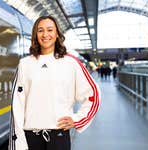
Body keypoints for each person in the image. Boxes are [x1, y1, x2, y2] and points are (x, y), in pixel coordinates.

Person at [9, 15, 100, 150]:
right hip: (30, 138)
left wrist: (77, 120)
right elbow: (17, 104)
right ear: (35, 35)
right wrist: (17, 141)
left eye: (50, 30)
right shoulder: (25, 64)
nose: (45, 34)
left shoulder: (71, 63)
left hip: (59, 137)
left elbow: (93, 95)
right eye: (40, 30)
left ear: (57, 34)